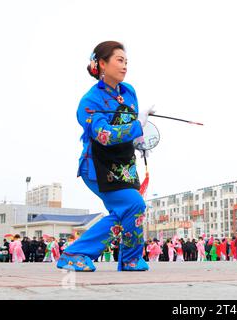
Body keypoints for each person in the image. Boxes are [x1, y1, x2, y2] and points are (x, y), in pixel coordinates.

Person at [57, 41, 156, 272]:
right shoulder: (89, 102)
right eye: (119, 60)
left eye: (126, 62)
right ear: (102, 63)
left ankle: (130, 259)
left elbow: (130, 125)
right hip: (98, 166)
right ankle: (75, 253)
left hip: (124, 165)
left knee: (128, 210)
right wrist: (137, 127)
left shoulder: (129, 92)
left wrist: (139, 141)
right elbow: (104, 135)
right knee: (134, 205)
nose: (124, 66)